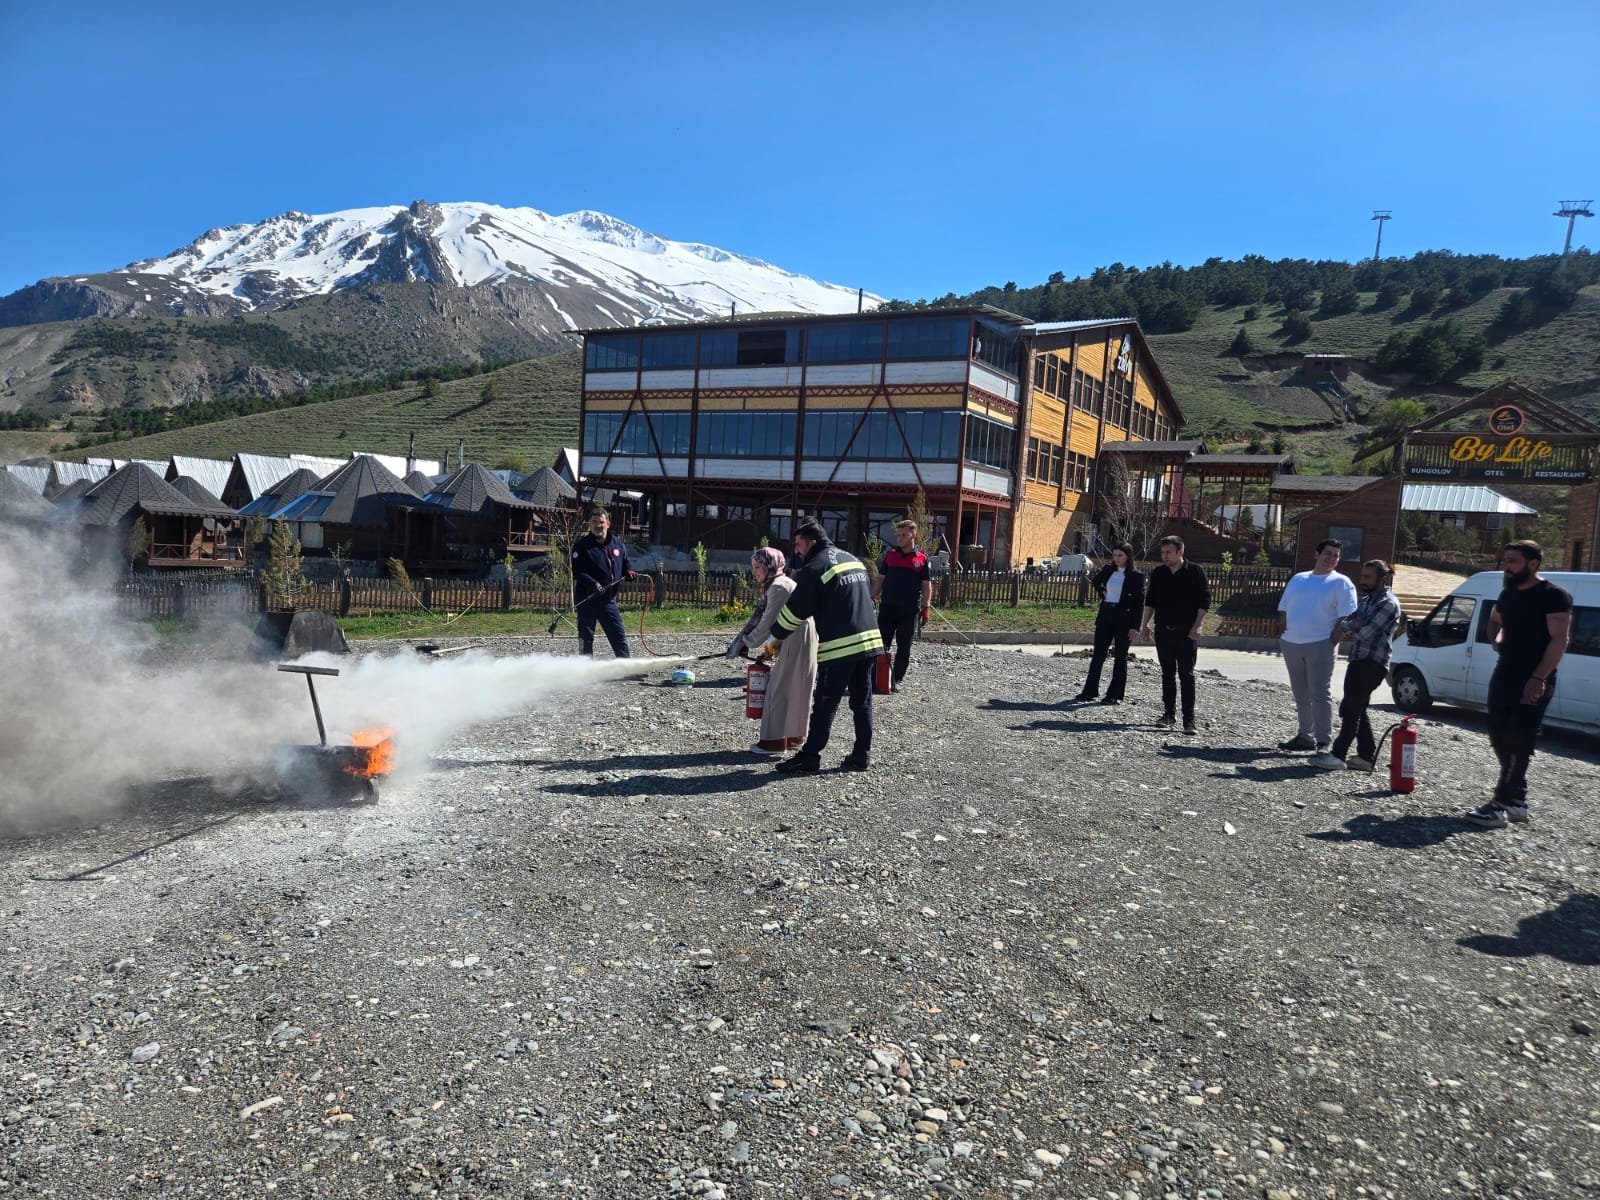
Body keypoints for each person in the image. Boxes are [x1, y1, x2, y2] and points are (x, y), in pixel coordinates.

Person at [1463, 540, 1572, 828]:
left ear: (1532, 564)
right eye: (1505, 560)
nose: (1506, 566)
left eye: (1512, 561)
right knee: (1498, 735)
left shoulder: (1554, 596)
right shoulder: (1508, 593)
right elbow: (1495, 622)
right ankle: (1518, 801)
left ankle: (1498, 805)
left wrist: (1538, 678)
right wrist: (1496, 638)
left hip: (1536, 678)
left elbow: (1560, 640)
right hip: (1504, 675)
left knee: (1518, 740)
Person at [771, 518, 884, 774]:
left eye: (799, 545)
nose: (797, 551)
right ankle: (861, 755)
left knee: (824, 703)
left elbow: (795, 611)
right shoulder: (852, 558)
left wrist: (773, 638)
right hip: (869, 642)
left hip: (841, 647)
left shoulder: (815, 567)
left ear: (812, 542)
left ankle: (810, 757)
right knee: (862, 701)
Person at [1311, 559, 1402, 771]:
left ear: (1382, 579)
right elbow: (1349, 622)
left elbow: (1364, 633)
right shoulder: (1367, 600)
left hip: (1372, 663)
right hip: (1358, 660)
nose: (1362, 581)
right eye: (1362, 576)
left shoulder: (1388, 603)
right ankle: (1366, 757)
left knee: (1351, 708)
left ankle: (1338, 755)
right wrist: (1351, 625)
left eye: (1367, 577)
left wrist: (1350, 626)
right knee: (1357, 708)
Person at [727, 546, 818, 754]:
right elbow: (778, 622)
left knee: (778, 689)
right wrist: (769, 647)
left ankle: (773, 742)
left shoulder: (777, 587)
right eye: (753, 567)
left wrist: (745, 642)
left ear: (770, 566)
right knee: (798, 687)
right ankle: (795, 736)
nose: (755, 571)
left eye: (758, 566)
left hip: (795, 635)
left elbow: (767, 623)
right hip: (800, 634)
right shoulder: (782, 582)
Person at [1276, 539, 1358, 754]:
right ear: (1317, 554)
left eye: (1336, 555)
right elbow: (1284, 608)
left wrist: (1331, 641)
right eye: (1328, 553)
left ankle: (1323, 740)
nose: (1331, 558)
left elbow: (1346, 616)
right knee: (1300, 692)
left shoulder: (1341, 582)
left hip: (1320, 644)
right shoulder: (1298, 579)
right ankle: (1305, 735)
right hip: (1292, 643)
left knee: (1319, 693)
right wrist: (1283, 631)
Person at [1138, 535, 1209, 734]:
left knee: (1186, 675)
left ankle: (1189, 720)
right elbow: (1150, 601)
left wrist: (1198, 625)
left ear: (1180, 552)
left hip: (1186, 633)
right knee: (1167, 674)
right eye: (1162, 552)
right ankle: (1168, 714)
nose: (1164, 556)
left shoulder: (1195, 572)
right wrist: (1145, 625)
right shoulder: (1159, 573)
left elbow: (1204, 602)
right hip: (1163, 631)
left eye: (1168, 552)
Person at [1074, 542, 1145, 705]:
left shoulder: (1136, 576)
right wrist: (1102, 592)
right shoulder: (1108, 570)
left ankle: (1114, 695)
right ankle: (1089, 691)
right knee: (1098, 655)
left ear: (1128, 556)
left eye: (1120, 555)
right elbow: (1095, 581)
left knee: (1120, 657)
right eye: (1114, 555)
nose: (1117, 558)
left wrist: (1135, 626)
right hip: (1106, 615)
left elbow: (1139, 603)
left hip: (1125, 620)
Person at [871, 520, 932, 692]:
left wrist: (926, 606)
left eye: (903, 535)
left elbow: (926, 584)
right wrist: (870, 596)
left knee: (904, 646)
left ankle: (896, 679)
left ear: (913, 535)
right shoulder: (890, 555)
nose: (900, 538)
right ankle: (876, 677)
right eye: (898, 535)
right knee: (880, 644)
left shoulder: (921, 559)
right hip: (888, 608)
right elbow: (880, 579)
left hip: (909, 610)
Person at [570, 508, 635, 657]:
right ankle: (586, 669)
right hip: (587, 599)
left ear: (608, 524)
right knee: (586, 637)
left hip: (608, 600)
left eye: (601, 522)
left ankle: (626, 667)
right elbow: (578, 572)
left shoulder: (617, 544)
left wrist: (629, 571)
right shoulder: (582, 546)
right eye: (594, 522)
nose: (598, 525)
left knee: (618, 635)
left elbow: (625, 562)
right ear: (589, 525)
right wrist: (593, 584)